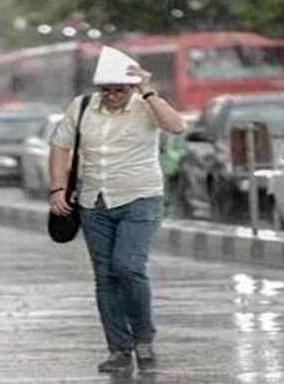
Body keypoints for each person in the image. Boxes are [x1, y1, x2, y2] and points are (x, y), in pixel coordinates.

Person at [48, 46, 186, 374]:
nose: (111, 95)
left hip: (140, 198)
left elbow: (176, 126)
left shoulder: (146, 106)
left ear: (131, 87)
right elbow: (60, 146)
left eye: (119, 89)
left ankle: (144, 340)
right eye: (106, 89)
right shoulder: (82, 107)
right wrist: (56, 188)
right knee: (105, 276)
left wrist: (148, 90)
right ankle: (118, 349)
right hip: (93, 202)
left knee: (128, 267)